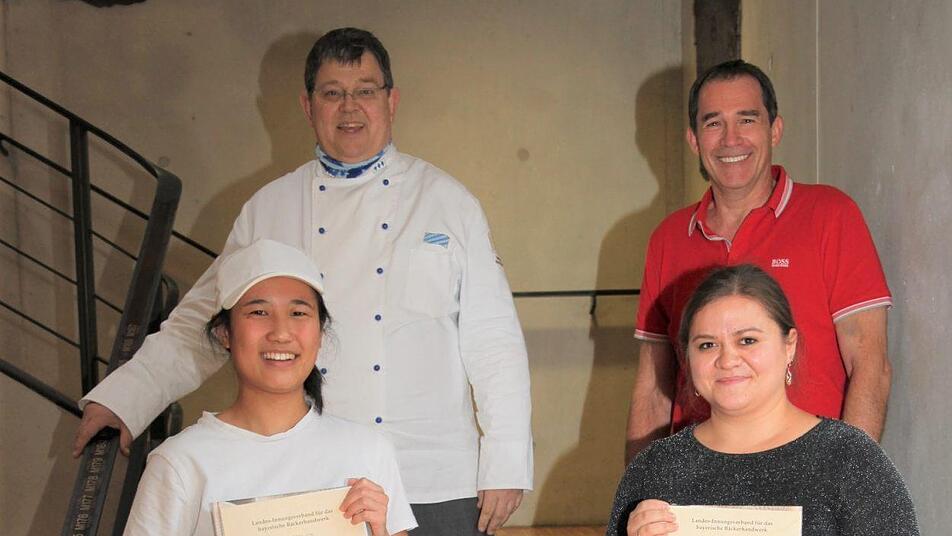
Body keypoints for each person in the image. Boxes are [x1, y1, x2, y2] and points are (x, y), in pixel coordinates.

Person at [75, 28, 532, 536]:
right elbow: (204, 321)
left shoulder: (448, 202)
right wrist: (126, 398)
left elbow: (494, 340)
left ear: (391, 101)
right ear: (307, 105)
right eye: (332, 93)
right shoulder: (270, 208)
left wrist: (506, 459)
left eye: (365, 90)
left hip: (436, 476)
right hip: (323, 481)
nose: (350, 107)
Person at [625, 60, 892, 463]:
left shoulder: (831, 215)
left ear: (775, 130)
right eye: (714, 123)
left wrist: (848, 480)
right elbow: (652, 388)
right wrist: (638, 487)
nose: (731, 139)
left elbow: (870, 365)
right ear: (694, 139)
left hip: (808, 474)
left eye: (747, 119)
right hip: (697, 480)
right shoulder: (668, 238)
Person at [123, 239, 416, 536]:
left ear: (320, 333)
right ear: (224, 333)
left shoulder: (368, 450)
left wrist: (380, 530)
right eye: (259, 313)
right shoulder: (180, 462)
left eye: (298, 313)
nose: (281, 333)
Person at [608, 264, 918, 536]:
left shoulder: (850, 459)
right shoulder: (654, 468)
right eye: (707, 345)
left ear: (789, 346)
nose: (727, 359)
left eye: (747, 340)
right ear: (687, 358)